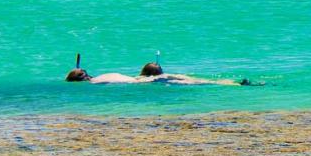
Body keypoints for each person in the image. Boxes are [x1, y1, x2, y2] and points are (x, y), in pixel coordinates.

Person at [65, 53, 257, 86]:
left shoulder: (98, 80)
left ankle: (230, 84)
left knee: (189, 81)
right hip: (143, 80)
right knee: (190, 80)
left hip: (143, 82)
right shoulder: (100, 77)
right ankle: (230, 83)